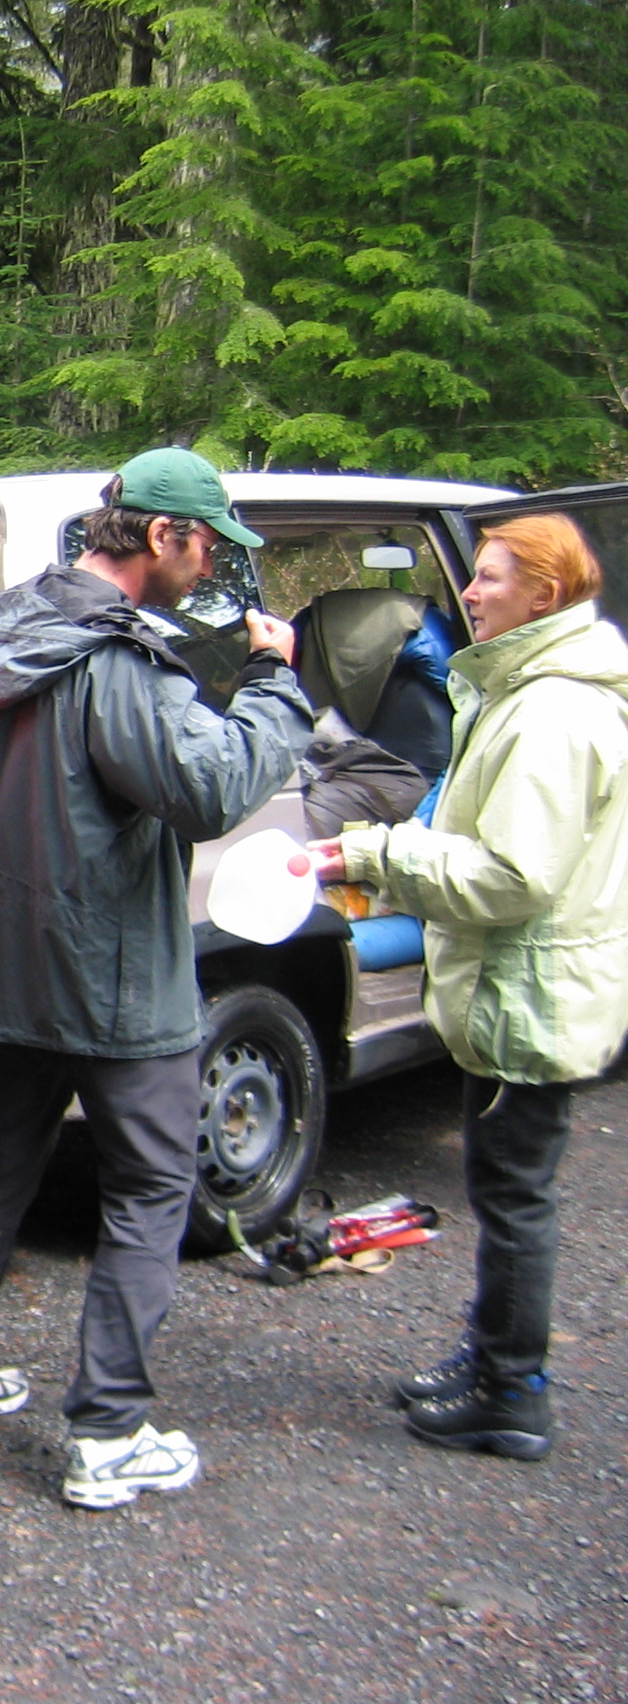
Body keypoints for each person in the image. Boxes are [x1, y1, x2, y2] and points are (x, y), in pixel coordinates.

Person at [0, 447, 313, 1510]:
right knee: (155, 1182)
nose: (209, 564)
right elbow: (209, 788)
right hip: (110, 968)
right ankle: (107, 1431)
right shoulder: (115, 660)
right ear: (163, 535)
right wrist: (273, 684)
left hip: (9, 959)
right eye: (206, 545)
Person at [308, 513, 628, 1461]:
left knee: (517, 1198)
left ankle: (513, 1394)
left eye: (489, 578)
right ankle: (489, 1359)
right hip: (513, 989)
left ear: (545, 595)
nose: (470, 594)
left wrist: (376, 856)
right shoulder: (522, 691)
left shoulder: (554, 712)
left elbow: (512, 876)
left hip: (532, 994)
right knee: (501, 1188)